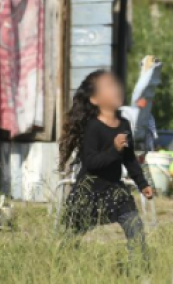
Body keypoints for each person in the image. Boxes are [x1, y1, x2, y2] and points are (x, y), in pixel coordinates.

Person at [58, 70, 154, 266]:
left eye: (115, 84)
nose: (116, 89)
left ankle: (139, 267)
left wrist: (142, 183)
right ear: (94, 99)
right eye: (108, 87)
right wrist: (114, 149)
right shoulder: (92, 128)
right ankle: (59, 266)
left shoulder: (124, 124)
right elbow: (91, 163)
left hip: (114, 191)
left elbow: (129, 159)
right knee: (70, 239)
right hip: (88, 193)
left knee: (134, 226)